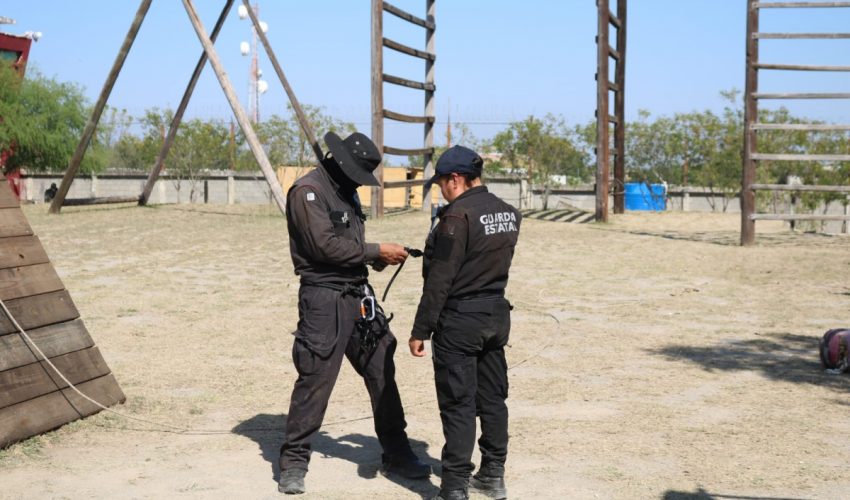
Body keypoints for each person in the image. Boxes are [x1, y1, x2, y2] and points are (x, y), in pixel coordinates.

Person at [279, 131, 431, 494]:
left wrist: (375, 260)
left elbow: (348, 245)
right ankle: (293, 462)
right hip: (323, 300)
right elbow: (324, 246)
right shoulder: (307, 192)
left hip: (357, 294)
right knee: (315, 377)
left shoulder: (345, 190)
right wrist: (376, 250)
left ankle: (396, 451)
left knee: (382, 367)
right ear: (340, 162)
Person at [409, 145, 521, 500]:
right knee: (492, 399)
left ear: (454, 179)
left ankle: (455, 485)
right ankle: (493, 473)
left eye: (441, 182)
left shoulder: (457, 218)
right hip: (495, 316)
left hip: (460, 321)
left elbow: (440, 279)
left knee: (458, 403)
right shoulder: (508, 212)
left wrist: (420, 330)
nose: (441, 189)